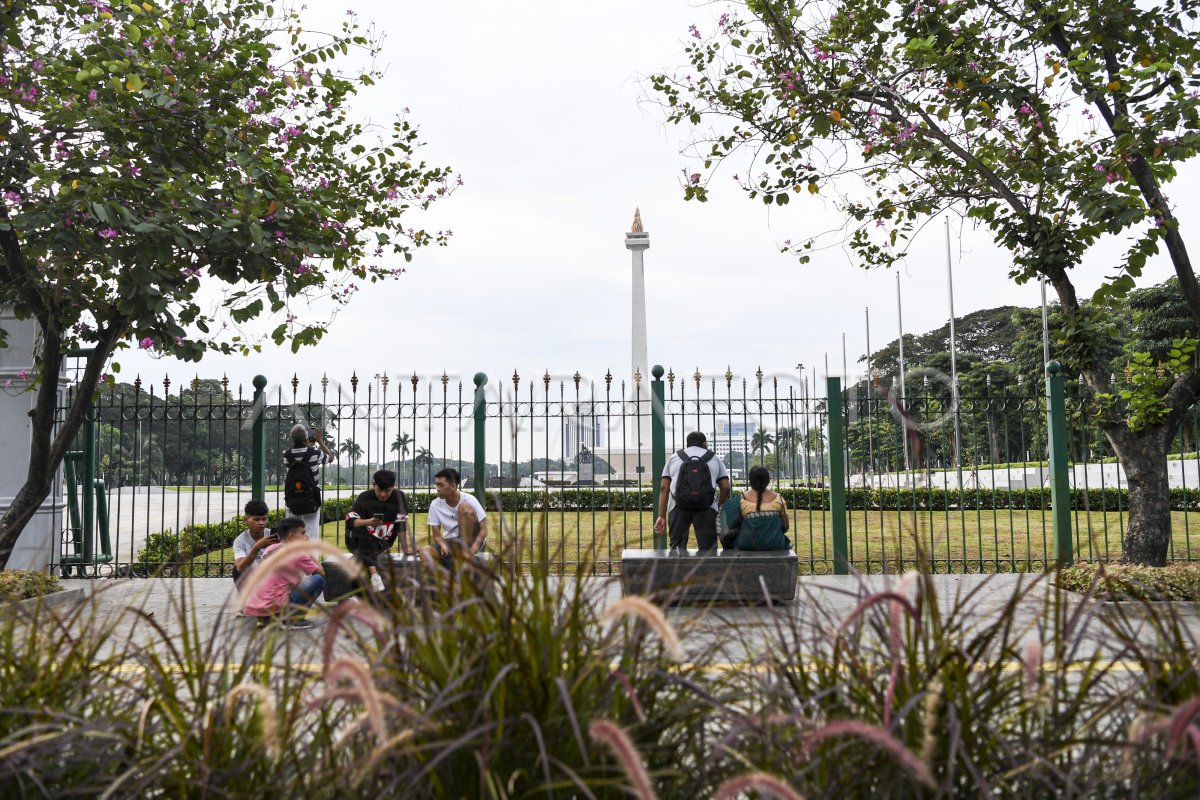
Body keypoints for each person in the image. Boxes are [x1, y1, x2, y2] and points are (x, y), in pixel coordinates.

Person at [242, 516, 326, 628]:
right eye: (303, 533)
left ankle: (266, 618)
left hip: (256, 606)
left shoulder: (270, 549)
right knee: (318, 580)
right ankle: (293, 619)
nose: (306, 537)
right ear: (291, 536)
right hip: (275, 605)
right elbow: (321, 571)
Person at [654, 431, 730, 554]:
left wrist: (661, 516)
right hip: (707, 507)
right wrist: (718, 508)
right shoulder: (714, 458)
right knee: (708, 549)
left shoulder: (674, 457)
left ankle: (679, 572)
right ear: (704, 443)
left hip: (677, 507)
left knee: (677, 548)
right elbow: (725, 487)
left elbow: (664, 487)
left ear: (687, 444)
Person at [345, 469, 410, 592]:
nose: (383, 495)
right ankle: (374, 574)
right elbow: (350, 521)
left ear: (393, 487)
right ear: (373, 485)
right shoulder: (364, 497)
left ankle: (357, 597)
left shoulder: (399, 497)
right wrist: (368, 522)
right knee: (361, 530)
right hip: (357, 540)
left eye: (387, 491)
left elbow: (401, 524)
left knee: (358, 561)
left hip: (380, 542)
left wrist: (405, 548)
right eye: (379, 490)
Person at [426, 467, 487, 568]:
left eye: (441, 485)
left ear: (453, 486)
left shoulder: (470, 499)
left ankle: (464, 553)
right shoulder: (435, 504)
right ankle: (447, 578)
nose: (437, 488)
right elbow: (436, 535)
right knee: (425, 552)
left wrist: (472, 550)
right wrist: (443, 545)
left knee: (464, 508)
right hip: (451, 541)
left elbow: (484, 530)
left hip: (471, 540)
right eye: (437, 484)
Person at [718, 466, 791, 551]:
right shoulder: (779, 499)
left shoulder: (741, 500)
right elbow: (785, 526)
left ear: (750, 481)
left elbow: (724, 527)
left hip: (746, 545)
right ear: (767, 481)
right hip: (776, 544)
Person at [283, 423, 333, 538]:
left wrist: (307, 445)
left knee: (292, 534)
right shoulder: (315, 452)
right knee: (311, 535)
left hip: (292, 499)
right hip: (310, 499)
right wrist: (320, 441)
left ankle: (294, 556)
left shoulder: (286, 455)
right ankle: (310, 556)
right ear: (306, 438)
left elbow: (299, 457)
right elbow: (330, 458)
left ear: (292, 439)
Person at [232, 499, 275, 587]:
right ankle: (246, 599)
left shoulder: (272, 535)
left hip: (271, 577)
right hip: (252, 578)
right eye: (256, 520)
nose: (261, 523)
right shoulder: (240, 541)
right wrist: (257, 547)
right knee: (236, 570)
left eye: (264, 519)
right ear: (245, 520)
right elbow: (241, 567)